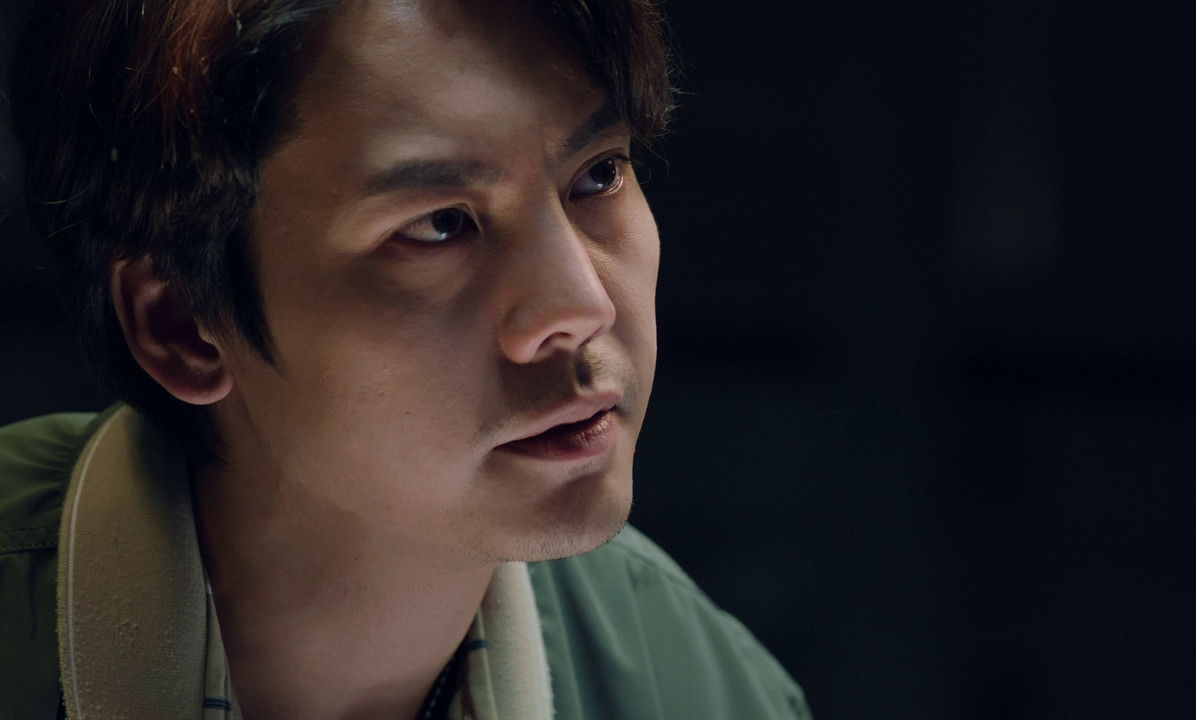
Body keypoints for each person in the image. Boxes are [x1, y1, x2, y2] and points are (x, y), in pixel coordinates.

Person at [0, 1, 812, 718]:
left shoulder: (709, 692)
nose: (580, 307)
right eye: (438, 225)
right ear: (182, 323)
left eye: (598, 175)